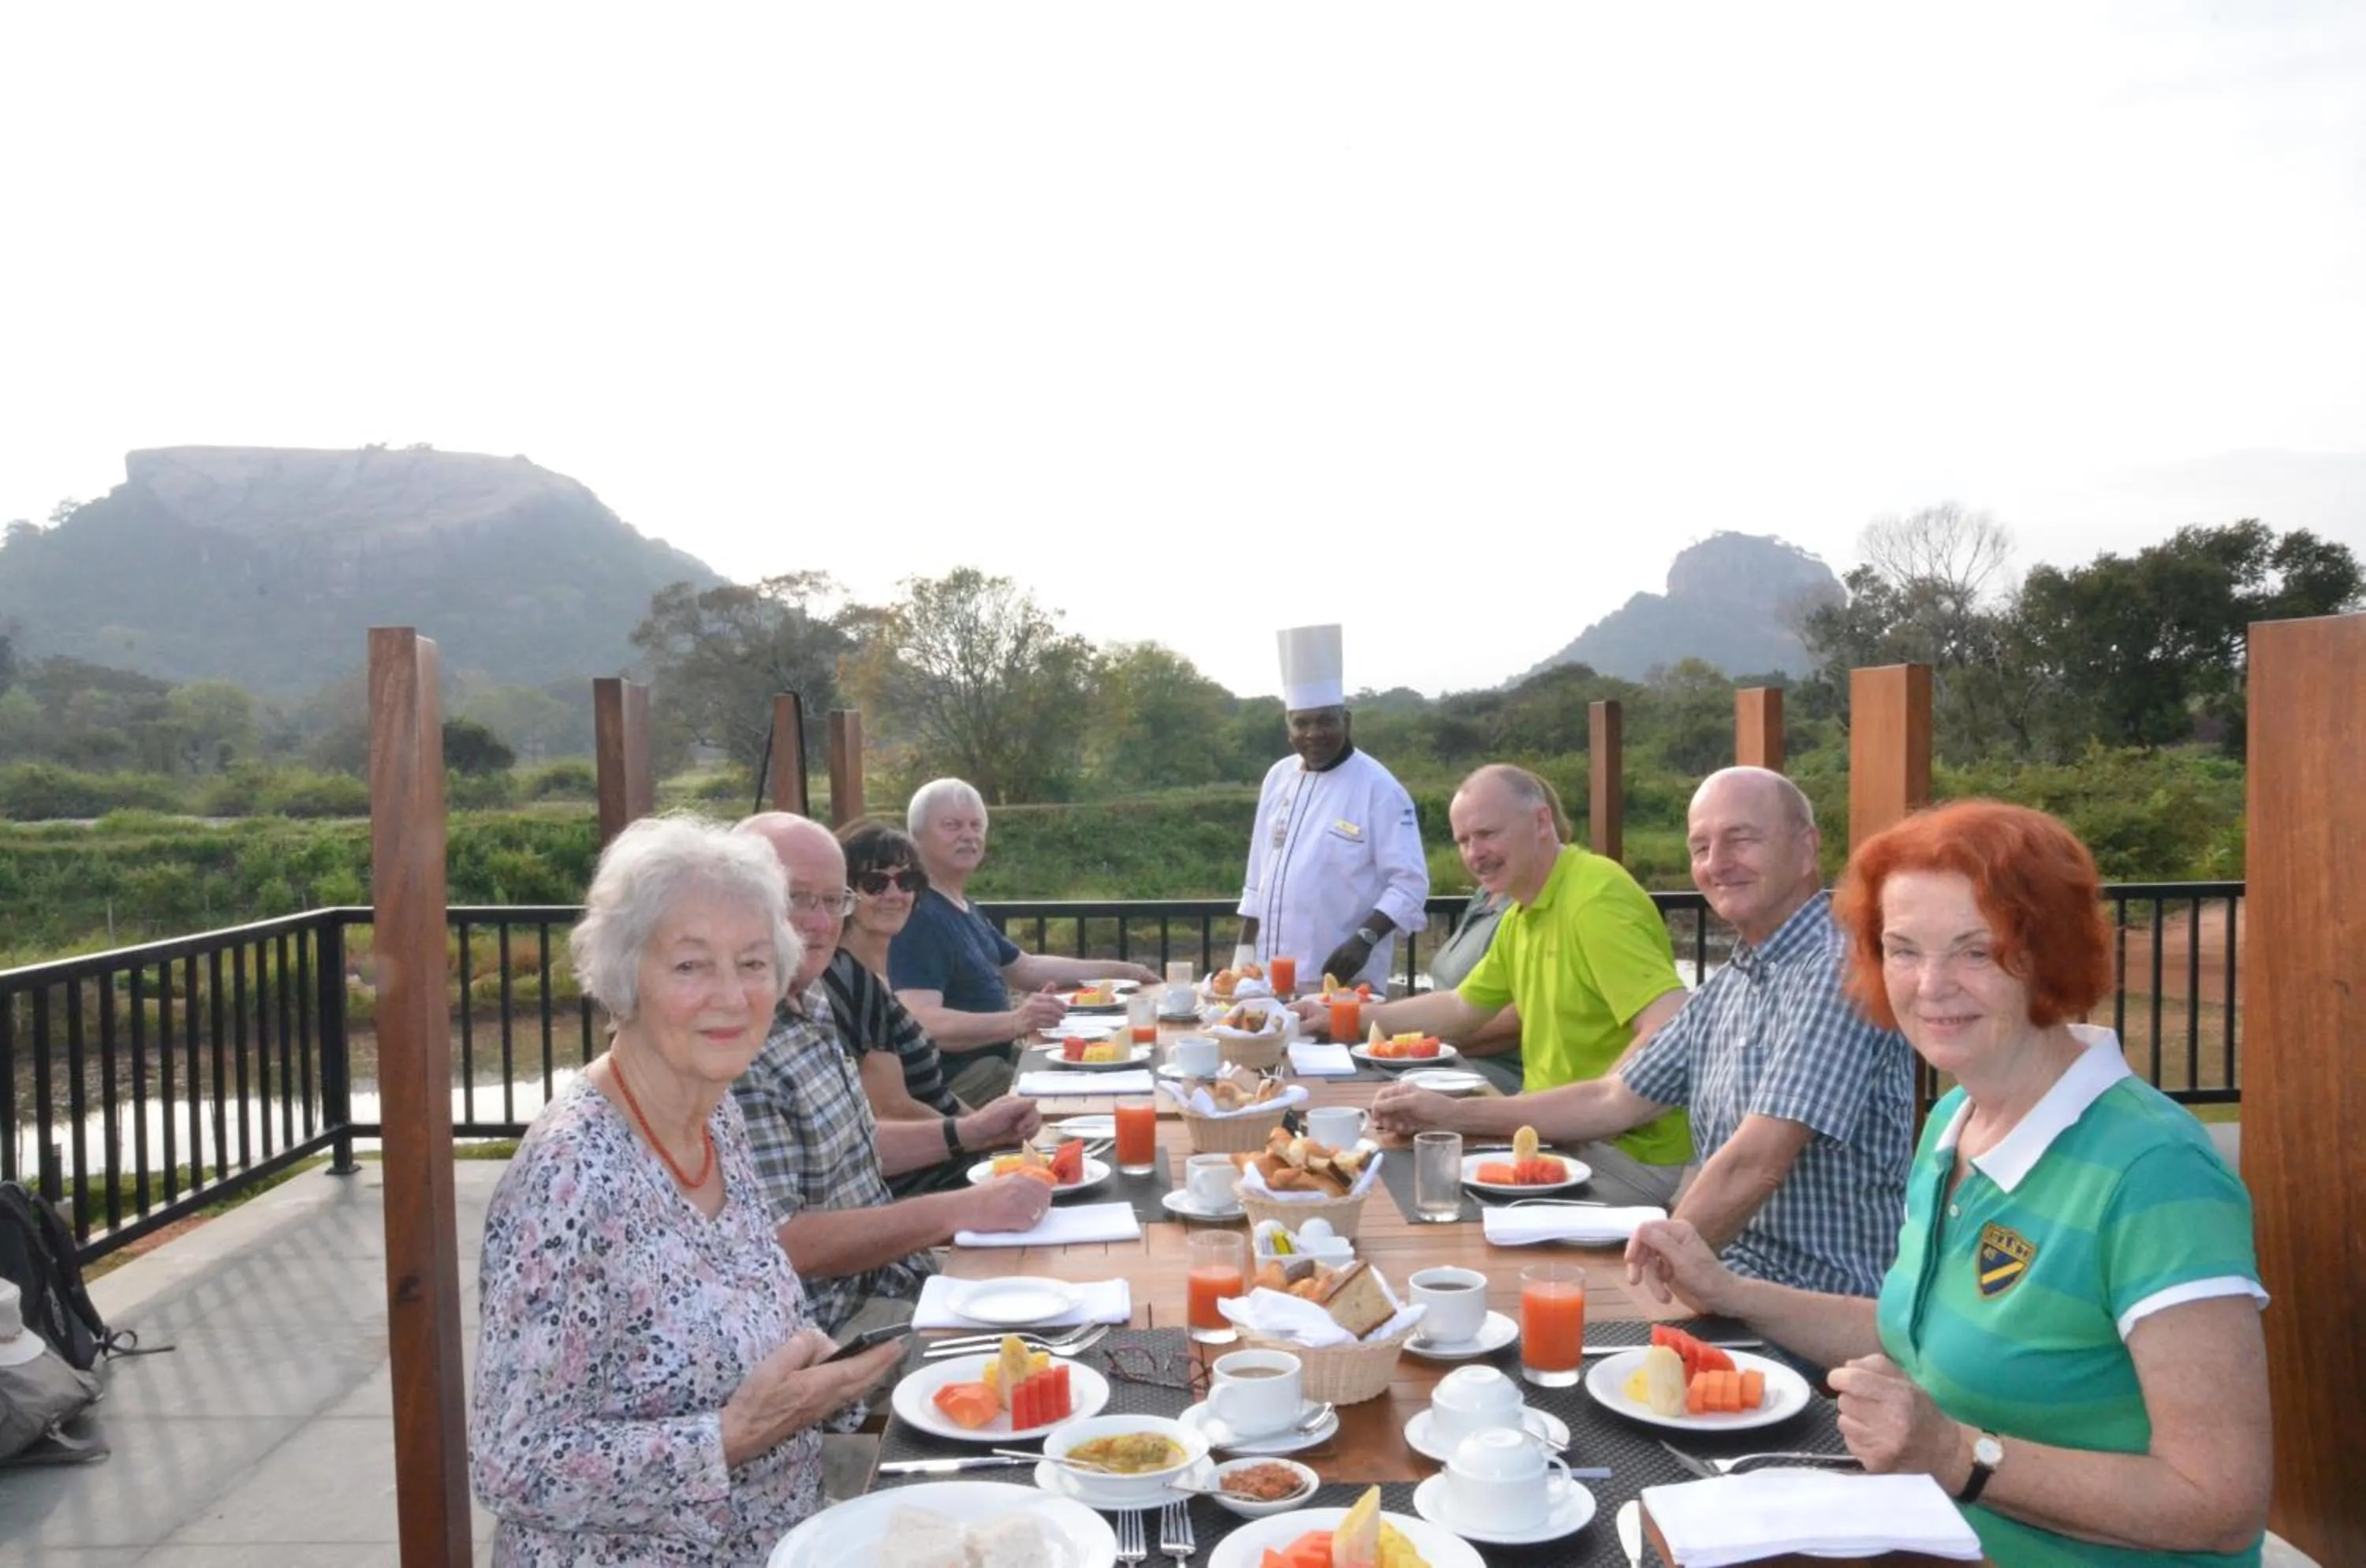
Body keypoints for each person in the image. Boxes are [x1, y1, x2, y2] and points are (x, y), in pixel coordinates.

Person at [1626, 801, 2271, 1565]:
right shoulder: (1957, 1120)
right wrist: (1726, 1287)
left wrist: (1960, 1455)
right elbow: (1919, 1336)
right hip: (1926, 1535)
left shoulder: (2155, 1171)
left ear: (2049, 951)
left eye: (1976, 949)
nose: (1931, 984)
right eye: (1902, 949)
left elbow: (2220, 1502)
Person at [471, 816, 901, 1565]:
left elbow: (747, 1306)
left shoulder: (715, 1116)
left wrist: (823, 1379)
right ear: (624, 978)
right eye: (691, 966)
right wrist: (731, 1437)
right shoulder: (570, 1175)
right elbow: (515, 1463)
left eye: (754, 963)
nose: (733, 997)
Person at [1375, 768, 1916, 1301]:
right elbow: (1613, 1097)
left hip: (1814, 1303)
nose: (1717, 864)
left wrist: (1658, 1265)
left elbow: (1758, 1161)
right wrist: (1449, 1116)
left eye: (1741, 840)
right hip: (1731, 1276)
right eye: (1701, 847)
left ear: (1807, 849)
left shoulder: (1836, 970)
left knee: (1507, 1302)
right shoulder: (1733, 984)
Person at [1301, 763, 1692, 1207]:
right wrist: (1342, 1016)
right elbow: (1463, 1005)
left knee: (1421, 1203)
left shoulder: (1595, 900)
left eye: (1487, 834)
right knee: (1393, 1176)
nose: (1474, 853)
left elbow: (1672, 1024)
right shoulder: (1523, 909)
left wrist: (1461, 1114)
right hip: (1553, 1135)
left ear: (1542, 822)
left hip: (1620, 1156)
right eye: (1463, 841)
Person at [733, 812, 1054, 1338]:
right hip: (833, 1326)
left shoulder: (808, 1003)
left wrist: (970, 1132)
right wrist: (962, 1207)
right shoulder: (730, 1044)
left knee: (1065, 1287)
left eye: (832, 900)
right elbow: (786, 1241)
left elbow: (852, 1143)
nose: (818, 922)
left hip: (896, 1277)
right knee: (1046, 1333)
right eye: (795, 898)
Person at [890, 778, 1159, 1103]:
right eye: (952, 825)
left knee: (1118, 1069)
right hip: (962, 1084)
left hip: (998, 1063)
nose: (968, 835)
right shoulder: (917, 915)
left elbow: (1026, 968)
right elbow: (923, 1021)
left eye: (976, 825)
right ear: (916, 837)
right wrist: (1017, 1021)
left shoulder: (962, 906)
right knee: (1096, 1092)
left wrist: (1123, 971)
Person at [1236, 624, 1429, 989]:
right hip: (1267, 982)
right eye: (1302, 723)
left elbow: (1409, 884)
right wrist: (1242, 957)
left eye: (1326, 720)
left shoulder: (1380, 789)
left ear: (1347, 720)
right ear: (1287, 728)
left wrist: (1364, 940)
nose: (1314, 733)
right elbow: (1256, 879)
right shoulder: (1277, 778)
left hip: (1343, 984)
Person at [829, 819, 970, 1196]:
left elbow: (934, 1092)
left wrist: (989, 1127)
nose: (895, 894)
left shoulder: (877, 975)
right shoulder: (850, 979)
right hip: (922, 1177)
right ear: (844, 894)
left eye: (907, 881)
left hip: (947, 1150)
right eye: (875, 883)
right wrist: (979, 1139)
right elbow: (891, 1108)